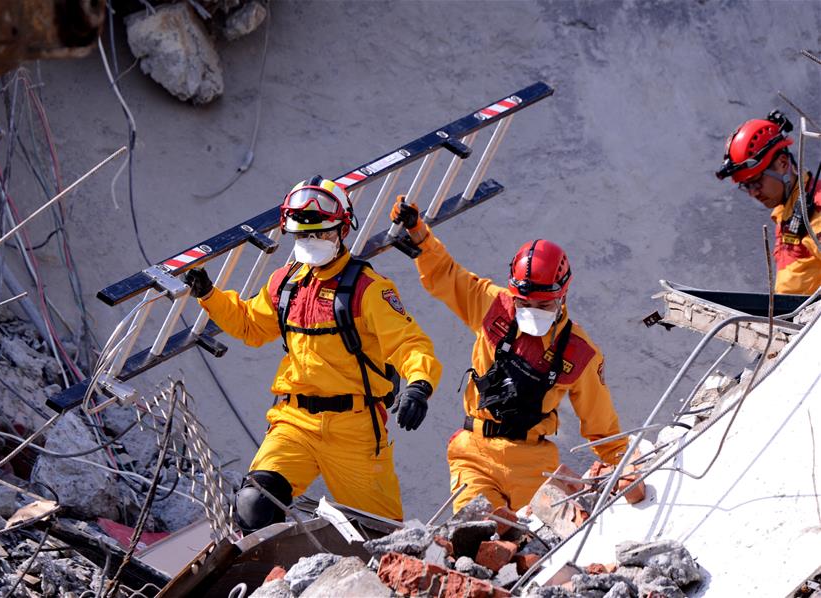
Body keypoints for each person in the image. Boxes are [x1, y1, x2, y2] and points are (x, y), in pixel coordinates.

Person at [184, 177, 442, 532]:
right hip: (294, 422)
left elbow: (409, 343)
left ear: (342, 231)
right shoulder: (286, 284)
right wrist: (210, 296)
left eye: (319, 233)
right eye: (302, 235)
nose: (310, 242)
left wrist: (419, 385)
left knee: (380, 534)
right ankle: (270, 584)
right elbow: (250, 325)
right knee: (254, 505)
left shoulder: (368, 289)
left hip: (355, 428)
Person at [390, 198, 629, 512]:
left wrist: (628, 471)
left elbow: (602, 426)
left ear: (563, 293)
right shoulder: (493, 306)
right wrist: (419, 233)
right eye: (522, 302)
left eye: (542, 306)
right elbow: (446, 275)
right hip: (473, 452)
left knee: (539, 544)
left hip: (534, 465)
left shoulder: (580, 353)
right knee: (476, 532)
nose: (530, 311)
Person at [716, 110, 821, 295]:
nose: (753, 192)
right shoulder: (786, 210)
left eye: (756, 181)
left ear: (782, 163)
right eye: (746, 186)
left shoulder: (816, 209)